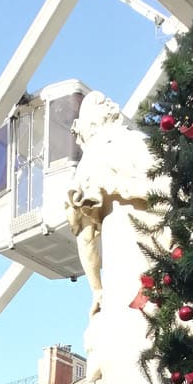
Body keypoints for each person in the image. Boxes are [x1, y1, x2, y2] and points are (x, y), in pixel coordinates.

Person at [65, 92, 150, 319]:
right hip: (163, 253)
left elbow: (86, 237)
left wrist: (97, 289)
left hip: (124, 256)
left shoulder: (92, 159)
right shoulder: (142, 142)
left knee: (128, 325)